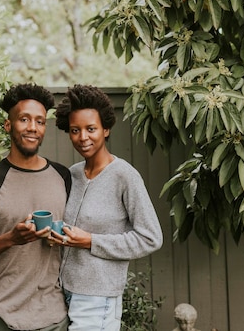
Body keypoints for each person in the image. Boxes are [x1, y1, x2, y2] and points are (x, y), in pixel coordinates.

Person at [0, 83, 71, 331]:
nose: (33, 127)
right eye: (24, 119)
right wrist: (11, 238)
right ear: (8, 125)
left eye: (40, 121)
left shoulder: (63, 177)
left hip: (53, 318)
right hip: (2, 318)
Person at [52, 84, 163, 331]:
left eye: (91, 129)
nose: (83, 137)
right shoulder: (74, 175)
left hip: (98, 299)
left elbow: (151, 238)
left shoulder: (124, 176)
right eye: (75, 130)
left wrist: (91, 241)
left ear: (106, 129)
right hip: (64, 292)